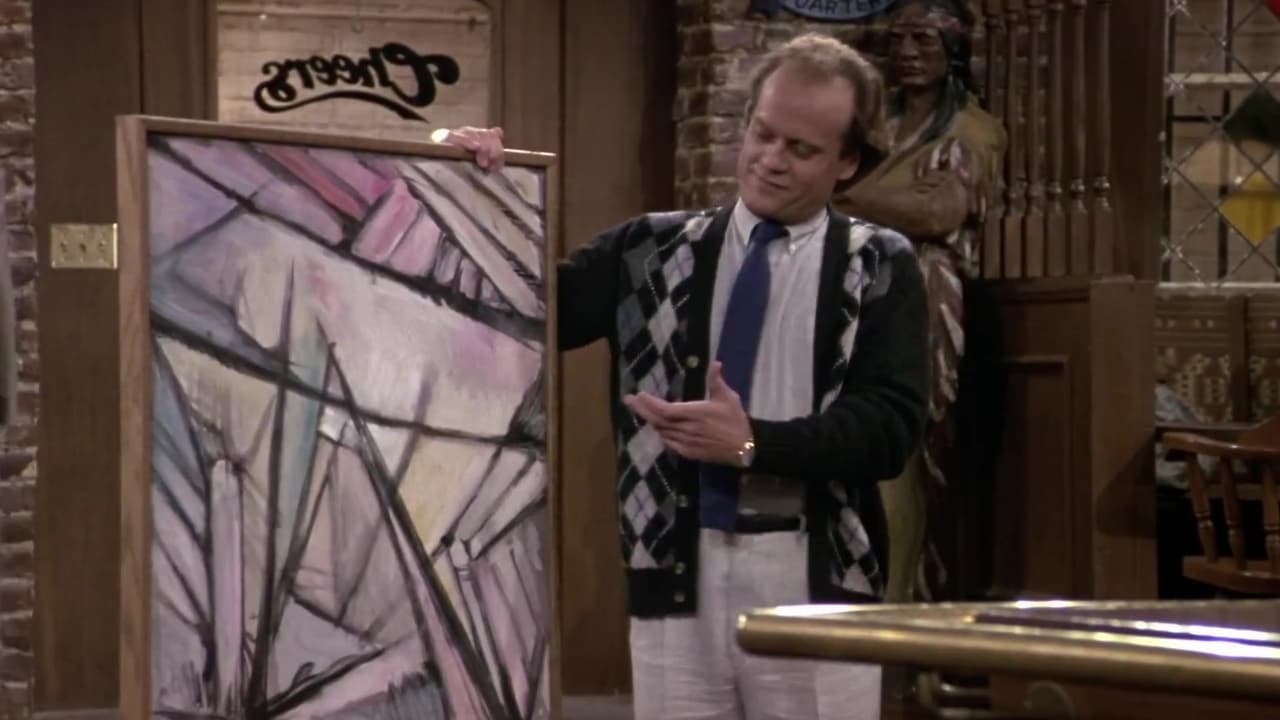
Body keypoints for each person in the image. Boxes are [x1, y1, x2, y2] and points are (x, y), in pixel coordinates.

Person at [442, 33, 928, 720]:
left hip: (816, 583)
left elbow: (890, 428)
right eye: (764, 134)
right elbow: (512, 309)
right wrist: (461, 177)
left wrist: (753, 442)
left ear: (847, 162)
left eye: (802, 149)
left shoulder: (877, 264)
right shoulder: (648, 251)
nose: (771, 159)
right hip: (676, 575)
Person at [834, 0, 1006, 602]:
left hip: (924, 296)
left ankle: (908, 599)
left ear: (953, 51)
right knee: (852, 438)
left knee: (912, 445)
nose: (908, 53)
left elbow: (937, 213)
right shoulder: (875, 127)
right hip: (854, 292)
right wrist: (883, 200)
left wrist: (847, 199)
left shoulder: (970, 129)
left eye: (924, 41)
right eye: (899, 39)